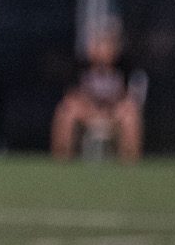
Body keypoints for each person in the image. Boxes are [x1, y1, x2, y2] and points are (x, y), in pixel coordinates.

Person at [51, 22, 144, 163]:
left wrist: (110, 110)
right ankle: (61, 159)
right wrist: (91, 109)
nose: (101, 51)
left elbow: (128, 97)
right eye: (97, 45)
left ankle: (130, 162)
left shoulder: (124, 68)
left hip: (113, 114)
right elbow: (72, 96)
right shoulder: (80, 68)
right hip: (87, 113)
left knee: (130, 113)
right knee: (67, 110)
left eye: (106, 46)